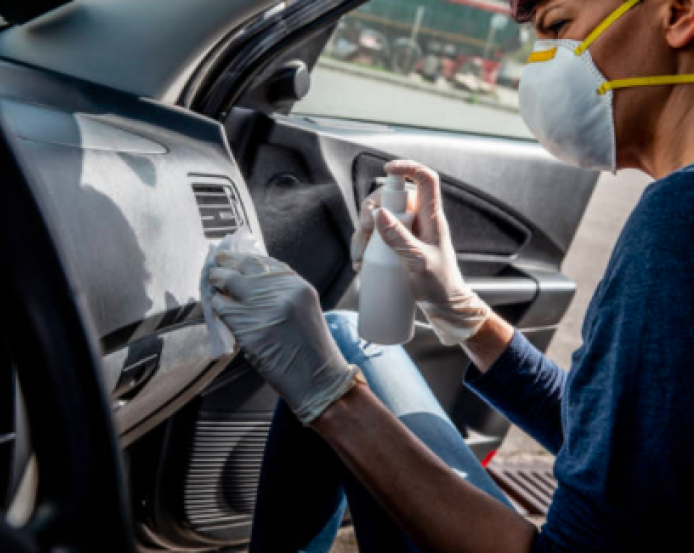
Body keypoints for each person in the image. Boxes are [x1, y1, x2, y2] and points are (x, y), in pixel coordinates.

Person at [207, 0, 694, 550]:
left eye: (559, 26)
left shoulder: (679, 219)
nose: (543, 63)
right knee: (344, 337)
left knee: (337, 362)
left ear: (678, 14)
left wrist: (330, 399)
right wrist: (458, 310)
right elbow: (622, 448)